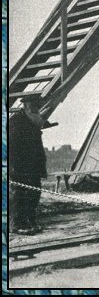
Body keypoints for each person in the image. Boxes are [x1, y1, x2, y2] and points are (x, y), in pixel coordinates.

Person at [9, 95, 47, 235]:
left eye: (37, 105)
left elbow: (38, 147)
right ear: (25, 106)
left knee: (34, 194)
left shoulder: (33, 120)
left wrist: (41, 167)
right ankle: (17, 225)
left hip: (33, 167)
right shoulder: (16, 122)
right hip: (20, 168)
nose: (36, 108)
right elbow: (12, 147)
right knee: (19, 196)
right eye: (33, 105)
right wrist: (13, 168)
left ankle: (30, 222)